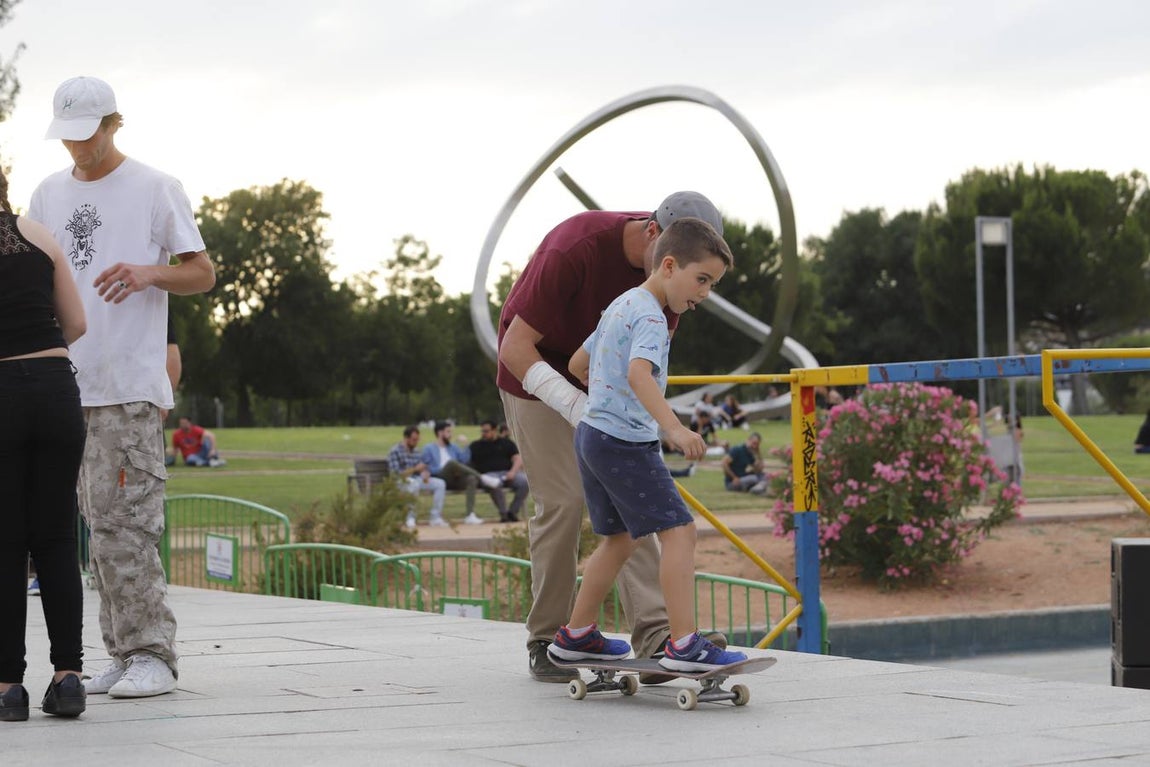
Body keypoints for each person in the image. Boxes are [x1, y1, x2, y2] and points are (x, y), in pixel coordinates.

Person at [29, 75, 217, 699]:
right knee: (90, 524)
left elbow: (202, 273)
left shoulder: (156, 188)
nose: (77, 149)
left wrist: (147, 272)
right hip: (64, 380)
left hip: (126, 383)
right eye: (69, 138)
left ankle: (152, 653)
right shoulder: (48, 194)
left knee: (126, 523)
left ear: (114, 124)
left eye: (88, 135)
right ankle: (120, 647)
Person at [497, 190, 729, 683]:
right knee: (562, 501)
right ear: (654, 236)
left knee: (633, 510)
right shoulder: (575, 245)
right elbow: (514, 346)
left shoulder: (671, 291)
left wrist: (606, 405)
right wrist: (582, 406)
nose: (698, 291)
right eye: (698, 277)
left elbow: (625, 366)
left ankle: (655, 635)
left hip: (601, 390)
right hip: (532, 377)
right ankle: (548, 637)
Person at [547, 217, 746, 671]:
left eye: (712, 284)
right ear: (669, 265)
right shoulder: (653, 318)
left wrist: (605, 384)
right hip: (625, 443)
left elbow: (580, 361)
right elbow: (639, 373)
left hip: (592, 436)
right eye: (702, 280)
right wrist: (673, 428)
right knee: (681, 532)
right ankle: (684, 645)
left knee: (618, 541)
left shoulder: (621, 304)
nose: (704, 293)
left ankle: (575, 636)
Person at [0, 168, 89, 722]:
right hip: (58, 389)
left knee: (6, 542)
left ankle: (9, 688)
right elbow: (75, 323)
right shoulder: (40, 235)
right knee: (56, 537)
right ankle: (69, 679)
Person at [420, 421, 502, 525]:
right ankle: (483, 477)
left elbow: (464, 461)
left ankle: (469, 515)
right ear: (440, 433)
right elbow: (428, 468)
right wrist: (448, 468)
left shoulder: (453, 447)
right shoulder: (429, 448)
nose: (451, 434)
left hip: (456, 478)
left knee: (471, 478)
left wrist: (466, 445)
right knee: (451, 463)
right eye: (448, 431)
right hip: (440, 477)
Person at [468, 419, 530, 523]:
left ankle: (513, 512)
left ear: (494, 430)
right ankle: (504, 514)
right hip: (488, 475)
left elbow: (517, 458)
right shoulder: (475, 446)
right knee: (494, 484)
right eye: (482, 431)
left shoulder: (507, 443)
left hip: (508, 473)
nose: (484, 433)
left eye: (486, 431)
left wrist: (513, 472)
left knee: (524, 482)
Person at [387, 425, 449, 529]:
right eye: (414, 440)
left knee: (440, 484)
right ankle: (410, 518)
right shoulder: (395, 451)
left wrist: (425, 473)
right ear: (406, 438)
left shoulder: (416, 451)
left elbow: (421, 467)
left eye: (417, 440)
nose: (416, 442)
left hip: (416, 479)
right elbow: (396, 475)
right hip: (400, 482)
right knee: (413, 484)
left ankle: (435, 517)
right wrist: (415, 469)